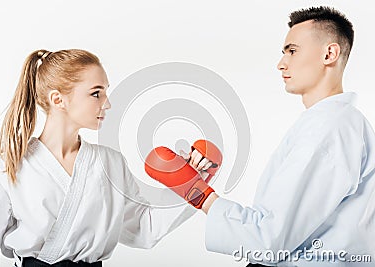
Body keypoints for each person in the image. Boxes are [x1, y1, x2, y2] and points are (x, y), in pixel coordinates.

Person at [146, 6, 375, 266]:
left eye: (292, 50)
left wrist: (198, 193)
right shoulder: (342, 124)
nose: (281, 63)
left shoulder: (329, 128)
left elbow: (269, 241)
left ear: (329, 53)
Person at [0, 49, 220, 267]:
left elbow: (144, 229)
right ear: (58, 99)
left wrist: (191, 183)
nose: (107, 103)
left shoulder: (111, 163)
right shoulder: (8, 168)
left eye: (105, 92)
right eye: (96, 93)